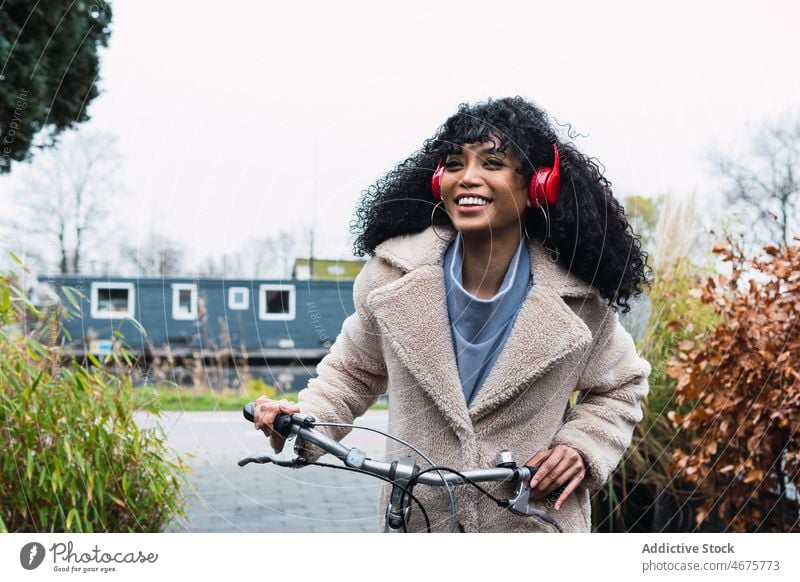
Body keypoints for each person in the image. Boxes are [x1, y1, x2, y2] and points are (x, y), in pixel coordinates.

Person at [254, 96, 652, 533]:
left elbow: (622, 386)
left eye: (493, 163)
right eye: (456, 164)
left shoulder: (579, 299)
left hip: (534, 527)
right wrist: (299, 419)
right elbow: (351, 373)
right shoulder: (390, 278)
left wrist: (580, 446)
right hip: (422, 524)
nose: (469, 178)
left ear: (538, 183)